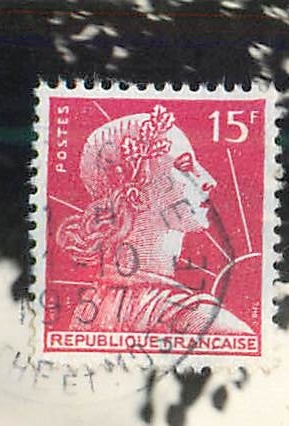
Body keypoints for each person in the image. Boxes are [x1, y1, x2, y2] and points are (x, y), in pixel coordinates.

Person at [56, 104, 254, 339]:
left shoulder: (87, 311)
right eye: (185, 166)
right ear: (136, 195)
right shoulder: (206, 323)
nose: (208, 181)